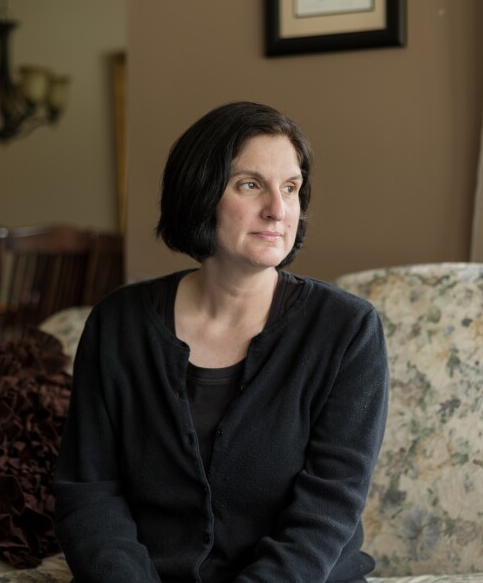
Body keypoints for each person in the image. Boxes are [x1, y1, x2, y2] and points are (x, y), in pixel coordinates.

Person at [53, 101, 389, 582]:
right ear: (200, 193)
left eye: (290, 188)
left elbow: (327, 510)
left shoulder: (347, 330)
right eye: (250, 185)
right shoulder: (119, 324)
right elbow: (89, 490)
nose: (278, 209)